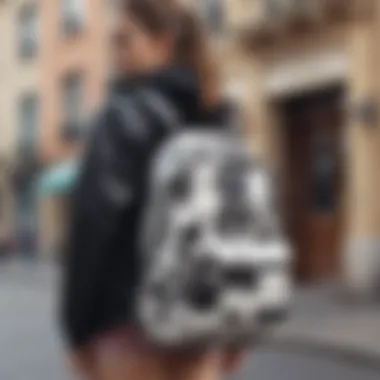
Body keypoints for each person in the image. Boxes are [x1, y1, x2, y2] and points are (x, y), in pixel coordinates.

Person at [60, 0, 245, 379]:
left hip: (129, 329)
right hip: (202, 330)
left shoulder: (123, 114)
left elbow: (94, 227)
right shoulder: (218, 117)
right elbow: (236, 226)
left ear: (162, 43)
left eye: (124, 41)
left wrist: (77, 331)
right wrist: (236, 330)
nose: (115, 54)